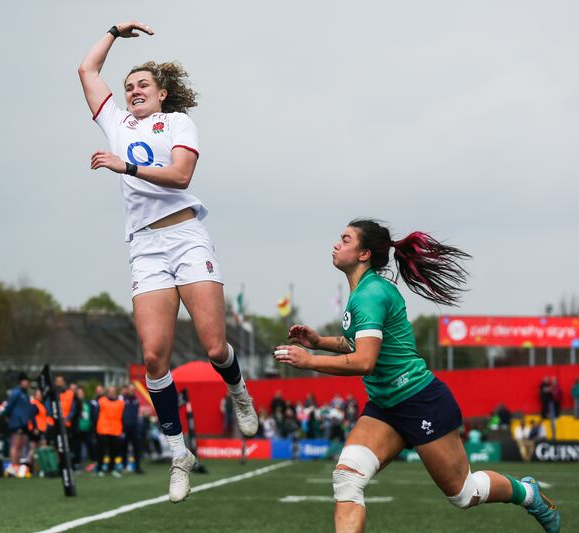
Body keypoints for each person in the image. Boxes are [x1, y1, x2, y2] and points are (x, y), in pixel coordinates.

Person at [273, 220, 560, 533]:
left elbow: (366, 360)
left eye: (344, 239)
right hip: (385, 407)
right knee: (347, 479)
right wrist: (319, 342)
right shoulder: (363, 293)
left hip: (420, 401)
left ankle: (528, 494)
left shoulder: (370, 295)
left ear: (364, 253)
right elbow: (359, 344)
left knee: (464, 494)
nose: (336, 244)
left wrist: (309, 359)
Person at [78, 20, 258, 502]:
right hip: (144, 245)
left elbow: (179, 176)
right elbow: (87, 68)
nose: (134, 91)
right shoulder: (116, 121)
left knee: (214, 345)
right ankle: (179, 453)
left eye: (143, 85)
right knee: (153, 356)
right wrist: (114, 31)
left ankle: (238, 388)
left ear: (161, 94)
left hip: (185, 234)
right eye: (129, 86)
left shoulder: (177, 123)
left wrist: (126, 166)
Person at [3, 373, 35, 477]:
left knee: (21, 445)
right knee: (15, 444)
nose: (27, 384)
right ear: (21, 382)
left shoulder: (26, 394)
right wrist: (7, 417)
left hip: (24, 423)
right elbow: (9, 407)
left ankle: (18, 465)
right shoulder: (16, 393)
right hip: (16, 422)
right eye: (26, 382)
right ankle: (13, 465)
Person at [96, 386, 125, 477]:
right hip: (103, 429)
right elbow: (95, 414)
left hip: (116, 430)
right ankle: (100, 469)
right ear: (107, 392)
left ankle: (111, 469)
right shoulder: (101, 401)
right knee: (102, 450)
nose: (111, 393)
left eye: (113, 391)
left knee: (114, 451)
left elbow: (122, 416)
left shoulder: (121, 403)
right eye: (110, 391)